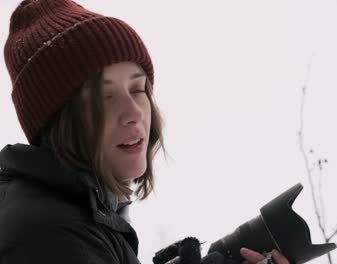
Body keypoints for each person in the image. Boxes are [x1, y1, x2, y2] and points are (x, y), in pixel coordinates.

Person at [0, 1, 291, 264]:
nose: (134, 112)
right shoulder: (48, 234)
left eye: (138, 89)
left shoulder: (76, 217)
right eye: (105, 97)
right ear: (59, 120)